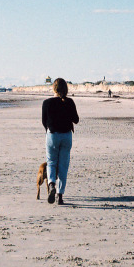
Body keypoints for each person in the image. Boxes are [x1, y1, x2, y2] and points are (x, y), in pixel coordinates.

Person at [42, 77, 79, 205]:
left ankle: (51, 184)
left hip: (52, 135)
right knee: (63, 165)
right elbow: (76, 120)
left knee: (51, 162)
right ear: (66, 89)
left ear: (54, 88)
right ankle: (60, 196)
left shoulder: (46, 103)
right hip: (66, 136)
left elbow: (44, 122)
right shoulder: (69, 102)